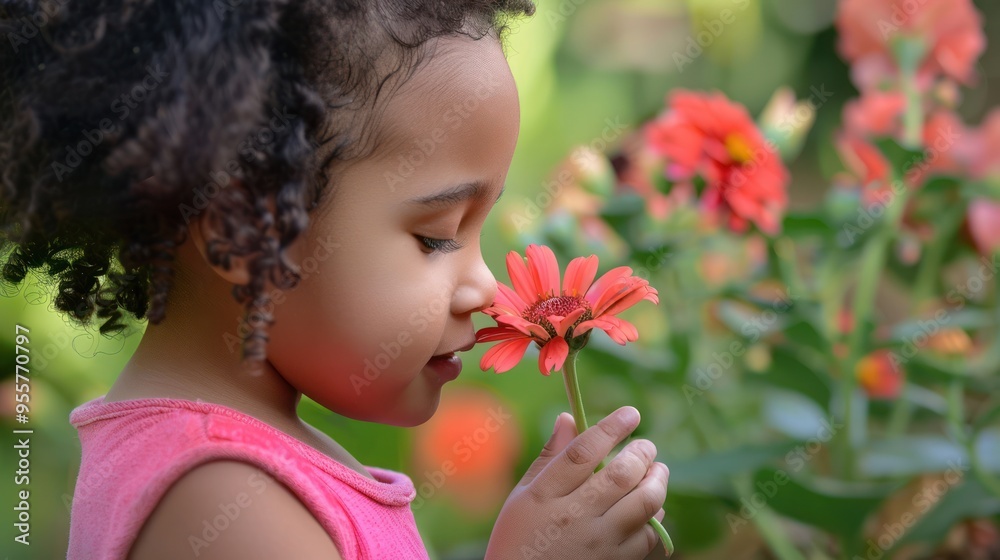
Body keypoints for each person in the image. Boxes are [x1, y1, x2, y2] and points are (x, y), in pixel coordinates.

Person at [0, 0, 670, 558]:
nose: (487, 289)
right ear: (242, 230)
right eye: (434, 236)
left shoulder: (245, 459)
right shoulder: (222, 498)